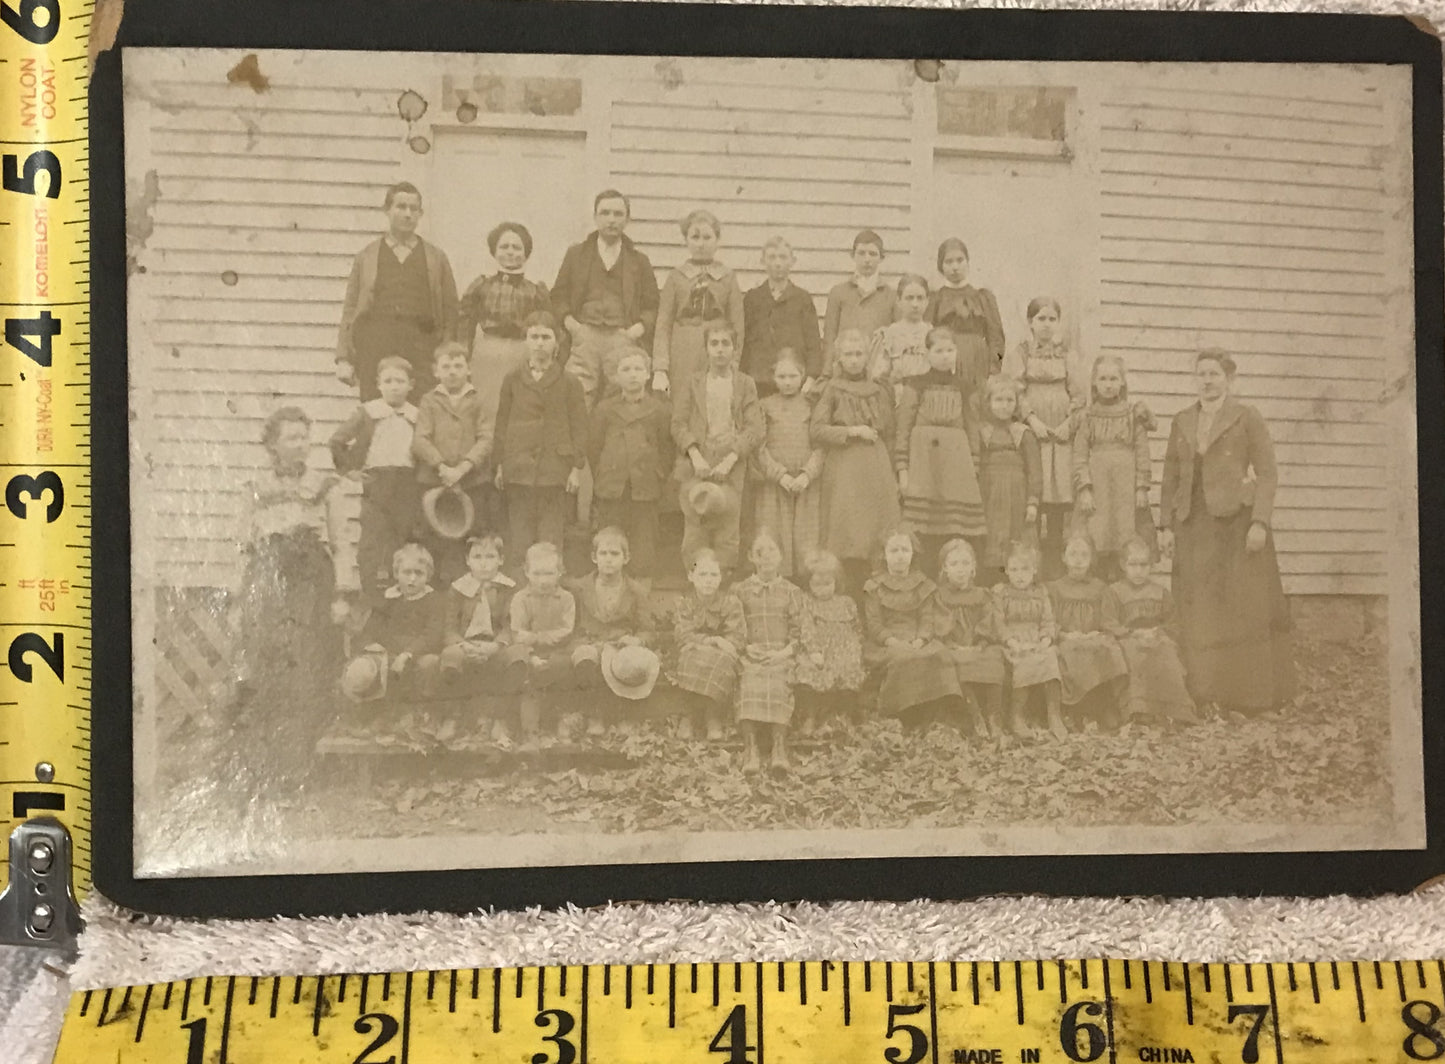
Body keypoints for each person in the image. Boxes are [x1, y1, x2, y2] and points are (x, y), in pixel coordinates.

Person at [1159, 349, 1296, 714]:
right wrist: (1166, 526)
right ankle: (1204, 692)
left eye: (1214, 374)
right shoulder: (1182, 420)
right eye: (1201, 374)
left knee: (1238, 605)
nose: (1207, 380)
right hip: (1194, 525)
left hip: (1236, 524)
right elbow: (1170, 476)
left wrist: (1259, 522)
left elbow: (1267, 472)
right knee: (1200, 605)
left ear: (1228, 379)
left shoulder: (1246, 417)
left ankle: (1247, 695)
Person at [231, 406, 344, 783]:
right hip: (269, 578)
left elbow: (339, 544)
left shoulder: (325, 486)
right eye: (292, 438)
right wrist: (239, 597)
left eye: (305, 437)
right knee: (269, 666)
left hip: (312, 581)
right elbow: (243, 545)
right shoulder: (255, 487)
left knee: (308, 667)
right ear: (272, 446)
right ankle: (267, 768)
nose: (302, 445)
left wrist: (341, 594)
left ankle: (302, 767)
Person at [336, 181, 458, 400]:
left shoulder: (436, 258)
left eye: (414, 209)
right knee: (375, 417)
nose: (407, 214)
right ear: (387, 210)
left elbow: (450, 313)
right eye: (401, 207)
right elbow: (351, 309)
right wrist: (344, 358)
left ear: (421, 214)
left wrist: (444, 359)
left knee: (422, 418)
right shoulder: (367, 256)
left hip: (422, 350)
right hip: (375, 347)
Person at [493, 311, 589, 573]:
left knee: (551, 537)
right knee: (519, 537)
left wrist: (575, 468)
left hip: (554, 471)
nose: (539, 343)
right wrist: (500, 465)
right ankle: (519, 596)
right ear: (525, 341)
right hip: (519, 469)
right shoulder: (512, 380)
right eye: (533, 337)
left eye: (545, 337)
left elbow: (580, 428)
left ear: (556, 343)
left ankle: (550, 588)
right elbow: (502, 425)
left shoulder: (570, 383)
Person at [1002, 297, 1089, 578]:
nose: (1047, 325)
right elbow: (1014, 391)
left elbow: (1079, 395)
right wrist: (1031, 420)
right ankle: (1030, 573)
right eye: (1041, 319)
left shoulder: (1068, 355)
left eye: (1052, 319)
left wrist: (1068, 424)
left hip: (1061, 438)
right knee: (1033, 504)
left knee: (1058, 507)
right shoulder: (1021, 353)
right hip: (1034, 435)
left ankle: (1055, 573)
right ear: (1030, 322)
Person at [810, 328, 901, 594]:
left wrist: (895, 473)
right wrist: (851, 431)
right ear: (839, 358)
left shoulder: (879, 390)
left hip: (876, 467)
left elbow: (891, 432)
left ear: (867, 357)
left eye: (859, 354)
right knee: (845, 533)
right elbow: (816, 429)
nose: (853, 360)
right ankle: (841, 597)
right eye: (848, 354)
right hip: (844, 468)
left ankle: (876, 600)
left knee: (876, 532)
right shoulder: (832, 389)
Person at [552, 189, 661, 406]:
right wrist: (573, 325)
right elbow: (558, 296)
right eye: (605, 213)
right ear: (595, 217)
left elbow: (652, 305)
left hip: (622, 337)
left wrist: (635, 331)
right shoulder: (576, 255)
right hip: (585, 337)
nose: (611, 220)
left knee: (619, 397)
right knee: (577, 394)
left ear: (627, 219)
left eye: (618, 214)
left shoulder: (639, 260)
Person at [673, 322, 764, 575]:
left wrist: (730, 459)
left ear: (735, 349)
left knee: (727, 526)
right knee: (695, 525)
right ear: (705, 349)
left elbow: (754, 428)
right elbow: (678, 424)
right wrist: (695, 455)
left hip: (731, 461)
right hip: (698, 460)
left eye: (726, 344)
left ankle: (721, 584)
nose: (720, 350)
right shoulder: (693, 382)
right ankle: (694, 584)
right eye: (714, 344)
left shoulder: (745, 384)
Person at [328, 356, 420, 602]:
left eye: (400, 381)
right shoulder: (368, 412)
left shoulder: (416, 415)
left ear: (411, 385)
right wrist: (350, 470)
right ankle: (372, 597)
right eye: (388, 381)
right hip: (376, 482)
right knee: (372, 541)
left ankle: (400, 596)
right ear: (378, 384)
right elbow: (337, 441)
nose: (394, 386)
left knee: (401, 539)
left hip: (407, 484)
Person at [894, 326, 986, 568]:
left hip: (957, 464)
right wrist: (903, 469)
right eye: (938, 350)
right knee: (923, 527)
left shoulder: (966, 387)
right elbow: (903, 428)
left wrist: (974, 465)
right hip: (923, 462)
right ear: (927, 353)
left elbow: (973, 427)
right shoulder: (915, 385)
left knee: (953, 525)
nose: (945, 355)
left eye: (950, 350)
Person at [588, 348, 672, 581]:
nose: (632, 374)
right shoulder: (605, 409)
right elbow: (594, 447)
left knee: (643, 548)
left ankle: (640, 598)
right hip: (612, 487)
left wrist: (657, 473)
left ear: (647, 375)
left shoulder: (660, 410)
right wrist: (605, 472)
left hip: (645, 488)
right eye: (626, 369)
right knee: (610, 543)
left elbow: (667, 450)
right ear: (616, 376)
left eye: (638, 369)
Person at [457, 221, 553, 425]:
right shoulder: (482, 286)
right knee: (486, 408)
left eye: (516, 247)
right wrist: (463, 355)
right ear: (494, 251)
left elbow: (548, 327)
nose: (510, 252)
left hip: (522, 354)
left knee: (520, 408)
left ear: (526, 253)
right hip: (488, 355)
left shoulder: (535, 291)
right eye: (504, 247)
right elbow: (464, 322)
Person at [862, 528, 961, 724]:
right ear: (884, 555)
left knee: (940, 655)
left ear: (913, 553)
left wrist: (920, 639)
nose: (900, 556)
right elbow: (874, 623)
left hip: (917, 638)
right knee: (903, 658)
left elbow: (927, 619)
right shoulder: (874, 586)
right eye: (894, 551)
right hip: (887, 643)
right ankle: (900, 713)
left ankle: (935, 712)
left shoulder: (922, 583)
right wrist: (891, 641)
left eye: (905, 550)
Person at [413, 341, 492, 583]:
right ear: (436, 371)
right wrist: (442, 467)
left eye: (458, 366)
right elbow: (420, 439)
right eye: (446, 366)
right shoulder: (428, 401)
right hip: (435, 482)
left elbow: (487, 438)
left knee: (469, 538)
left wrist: (464, 467)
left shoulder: (479, 400)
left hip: (472, 482)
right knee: (435, 539)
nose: (452, 371)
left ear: (468, 369)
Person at [1073, 354, 1155, 581]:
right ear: (1094, 384)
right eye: (1103, 379)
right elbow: (1079, 455)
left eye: (1113, 379)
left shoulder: (1132, 414)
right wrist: (1085, 489)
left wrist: (1141, 487)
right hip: (1098, 485)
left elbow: (1143, 452)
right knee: (1097, 534)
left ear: (1122, 383)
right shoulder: (1088, 416)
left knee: (1125, 535)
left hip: (1125, 487)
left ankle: (1125, 585)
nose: (1108, 385)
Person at [568, 526, 656, 736]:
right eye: (603, 553)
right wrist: (583, 643)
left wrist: (637, 641)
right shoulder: (580, 588)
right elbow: (572, 625)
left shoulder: (636, 591)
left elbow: (648, 631)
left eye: (615, 554)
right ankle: (595, 715)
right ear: (593, 557)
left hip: (619, 644)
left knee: (628, 661)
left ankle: (622, 714)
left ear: (626, 558)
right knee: (585, 658)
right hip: (589, 641)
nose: (608, 559)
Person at [734, 530, 810, 774]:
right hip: (751, 652)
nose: (766, 558)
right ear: (750, 557)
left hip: (782, 653)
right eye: (759, 553)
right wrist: (746, 647)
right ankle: (751, 748)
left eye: (772, 552)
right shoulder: (740, 590)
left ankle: (779, 747)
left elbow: (800, 630)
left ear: (782, 557)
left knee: (779, 679)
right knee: (749, 679)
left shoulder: (792, 592)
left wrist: (785, 652)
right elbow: (733, 625)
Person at [1104, 537, 1197, 725]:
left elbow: (1173, 623)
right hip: (1129, 638)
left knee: (1166, 652)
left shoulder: (1161, 592)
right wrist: (1132, 633)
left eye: (1144, 565)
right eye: (1133, 565)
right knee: (1134, 655)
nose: (1139, 571)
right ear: (1123, 565)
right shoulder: (1114, 592)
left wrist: (1158, 632)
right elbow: (1108, 622)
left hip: (1156, 636)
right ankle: (1139, 710)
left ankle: (1173, 710)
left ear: (1151, 566)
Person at [653, 209, 745, 396]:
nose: (701, 244)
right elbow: (663, 324)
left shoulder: (728, 277)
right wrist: (660, 368)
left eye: (707, 237)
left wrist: (733, 361)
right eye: (695, 237)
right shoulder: (675, 276)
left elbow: (738, 325)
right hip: (683, 350)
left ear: (717, 240)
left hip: (717, 349)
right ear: (685, 240)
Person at [343, 542, 444, 704]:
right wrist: (372, 644)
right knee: (364, 668)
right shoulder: (389, 598)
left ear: (428, 576)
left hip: (418, 653)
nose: (412, 579)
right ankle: (378, 712)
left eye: (419, 573)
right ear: (397, 574)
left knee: (429, 664)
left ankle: (422, 712)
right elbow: (372, 627)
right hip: (390, 652)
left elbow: (432, 635)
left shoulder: (434, 601)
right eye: (407, 572)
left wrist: (407, 654)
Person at [926, 537, 1007, 737]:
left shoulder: (982, 595)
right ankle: (975, 716)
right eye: (954, 564)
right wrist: (954, 645)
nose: (960, 569)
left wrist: (979, 643)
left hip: (979, 645)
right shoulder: (940, 596)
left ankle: (994, 717)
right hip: (953, 646)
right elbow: (940, 624)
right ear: (944, 568)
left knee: (995, 657)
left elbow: (988, 622)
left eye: (965, 563)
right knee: (953, 662)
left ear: (973, 567)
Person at [439, 534, 526, 718]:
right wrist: (463, 645)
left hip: (496, 643)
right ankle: (452, 716)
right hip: (465, 644)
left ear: (501, 560)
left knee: (518, 655)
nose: (484, 564)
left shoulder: (509, 588)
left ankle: (502, 718)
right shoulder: (457, 589)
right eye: (477, 557)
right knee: (450, 656)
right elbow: (449, 627)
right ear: (467, 560)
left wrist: (495, 645)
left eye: (490, 557)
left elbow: (511, 625)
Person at [753, 352, 823, 579]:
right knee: (773, 535)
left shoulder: (813, 406)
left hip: (806, 484)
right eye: (781, 376)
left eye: (793, 376)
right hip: (775, 484)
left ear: (803, 376)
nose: (787, 381)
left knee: (806, 538)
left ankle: (805, 585)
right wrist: (779, 475)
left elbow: (821, 445)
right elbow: (758, 447)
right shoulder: (764, 406)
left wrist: (807, 475)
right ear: (773, 377)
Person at [1048, 534, 1129, 729]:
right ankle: (1073, 710)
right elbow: (1048, 619)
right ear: (1063, 557)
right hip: (1066, 638)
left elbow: (1107, 618)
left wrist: (1097, 632)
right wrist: (1064, 634)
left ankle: (1103, 708)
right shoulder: (1054, 588)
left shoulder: (1101, 588)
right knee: (1068, 653)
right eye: (1073, 554)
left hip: (1094, 637)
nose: (1078, 560)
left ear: (1092, 558)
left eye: (1084, 554)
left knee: (1107, 649)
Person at [991, 541, 1065, 739]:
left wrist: (1045, 640)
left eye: (1025, 569)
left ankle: (1054, 714)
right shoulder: (1000, 593)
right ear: (1006, 571)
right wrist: (1012, 642)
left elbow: (1048, 621)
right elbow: (999, 624)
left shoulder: (1040, 592)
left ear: (1034, 570)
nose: (1020, 575)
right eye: (1014, 569)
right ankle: (1017, 715)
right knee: (1022, 660)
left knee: (1049, 657)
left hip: (1036, 640)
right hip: (1012, 642)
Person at [671, 548, 746, 741]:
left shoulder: (731, 602)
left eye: (714, 574)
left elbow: (736, 638)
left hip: (722, 654)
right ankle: (688, 716)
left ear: (721, 578)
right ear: (691, 576)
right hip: (694, 650)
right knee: (690, 656)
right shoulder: (684, 603)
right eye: (703, 574)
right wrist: (712, 641)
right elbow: (683, 635)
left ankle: (713, 717)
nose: (708, 580)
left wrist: (721, 644)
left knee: (722, 660)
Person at [508, 541, 577, 749]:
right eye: (537, 574)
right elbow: (518, 633)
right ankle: (530, 732)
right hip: (530, 652)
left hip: (559, 650)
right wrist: (532, 653)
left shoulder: (566, 598)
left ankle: (564, 723)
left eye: (549, 574)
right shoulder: (520, 599)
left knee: (561, 667)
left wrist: (535, 637)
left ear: (560, 572)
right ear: (526, 572)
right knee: (526, 673)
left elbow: (566, 630)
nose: (543, 580)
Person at [975, 375, 1042, 581]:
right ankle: (991, 580)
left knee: (1017, 537)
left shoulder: (1023, 433)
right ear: (988, 402)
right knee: (992, 536)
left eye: (1009, 401)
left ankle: (1017, 578)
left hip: (1017, 496)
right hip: (990, 494)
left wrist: (1032, 502)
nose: (1004, 406)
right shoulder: (981, 431)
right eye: (999, 400)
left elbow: (1035, 471)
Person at [793, 549, 865, 734]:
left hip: (844, 648)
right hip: (817, 649)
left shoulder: (846, 602)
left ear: (837, 582)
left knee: (849, 669)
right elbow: (805, 628)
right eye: (817, 584)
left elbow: (856, 628)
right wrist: (814, 651)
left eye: (828, 584)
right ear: (808, 584)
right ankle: (809, 716)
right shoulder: (806, 602)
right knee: (808, 670)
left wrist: (855, 648)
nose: (823, 589)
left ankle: (842, 716)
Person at [741, 236, 823, 396]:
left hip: (792, 380)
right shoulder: (752, 298)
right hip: (759, 380)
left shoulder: (802, 298)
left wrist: (811, 377)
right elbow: (745, 342)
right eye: (772, 257)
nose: (778, 263)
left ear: (792, 261)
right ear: (762, 261)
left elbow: (813, 342)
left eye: (783, 257)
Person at [927, 237, 1003, 395]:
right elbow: (928, 335)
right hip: (946, 359)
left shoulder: (982, 297)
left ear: (967, 262)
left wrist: (994, 369)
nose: (955, 266)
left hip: (978, 360)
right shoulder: (935, 298)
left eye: (960, 260)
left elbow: (996, 336)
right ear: (941, 266)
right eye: (948, 262)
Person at [822, 229, 897, 370]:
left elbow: (897, 338)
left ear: (882, 258)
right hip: (844, 368)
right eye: (861, 253)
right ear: (852, 255)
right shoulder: (838, 292)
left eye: (873, 254)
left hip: (877, 369)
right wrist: (827, 371)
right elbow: (830, 336)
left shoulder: (891, 295)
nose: (867, 259)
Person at [869, 274, 933, 399]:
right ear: (899, 301)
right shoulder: (889, 335)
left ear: (927, 301)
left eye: (920, 298)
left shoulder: (932, 334)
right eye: (909, 298)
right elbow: (878, 376)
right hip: (897, 397)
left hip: (926, 397)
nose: (915, 304)